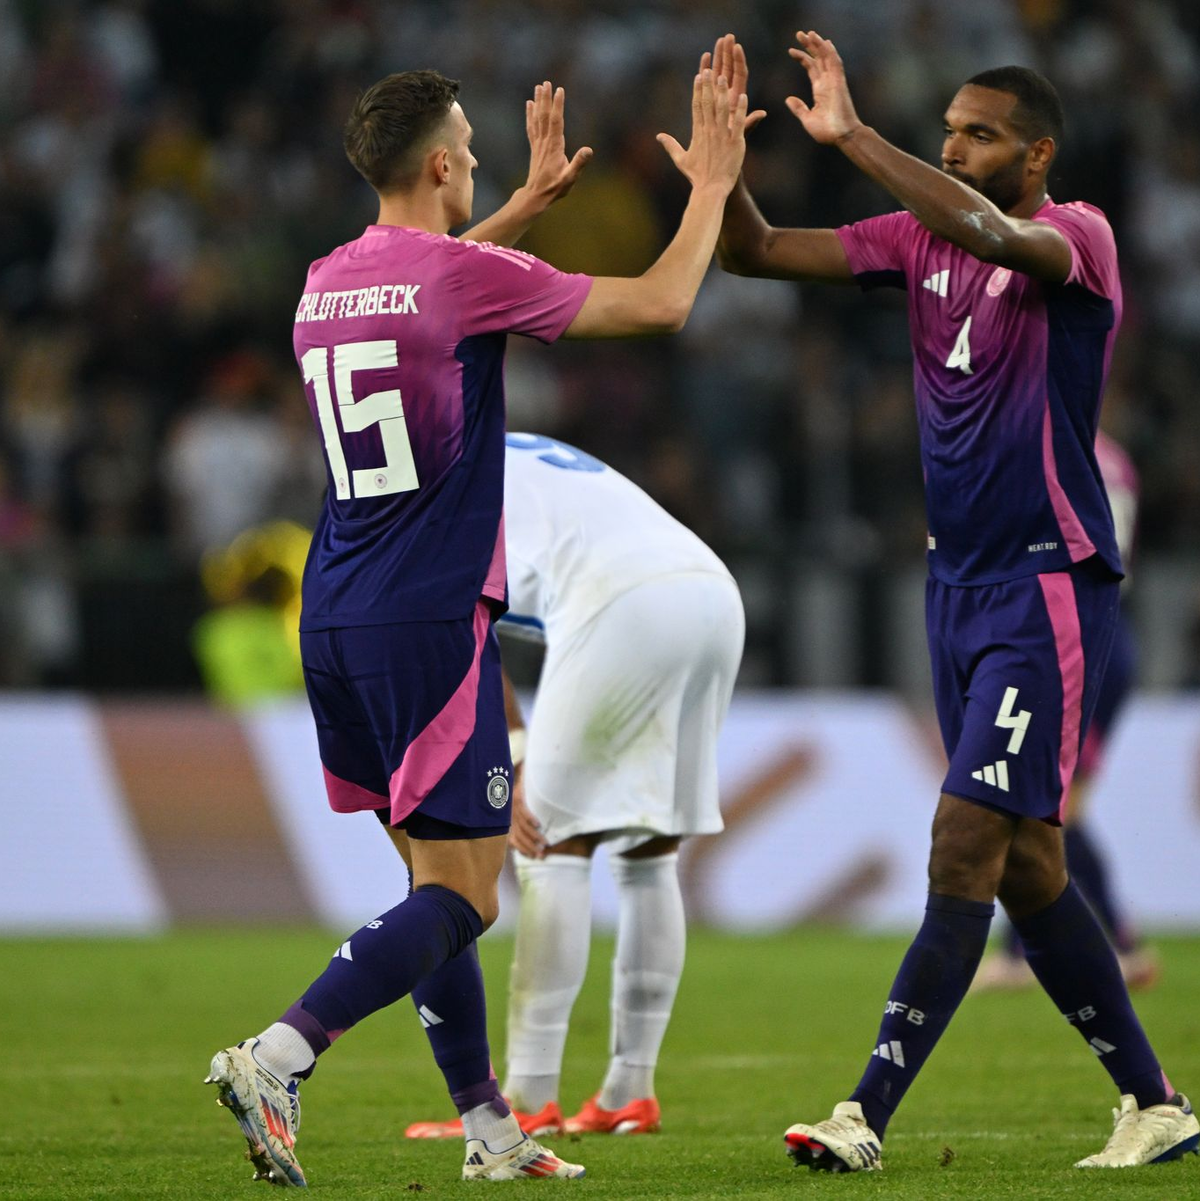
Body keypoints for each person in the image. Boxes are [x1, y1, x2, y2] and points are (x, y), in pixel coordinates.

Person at [204, 67, 753, 1187]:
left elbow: (431, 287)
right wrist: (715, 189)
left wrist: (518, 217)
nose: (482, 163)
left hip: (338, 609)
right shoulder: (465, 274)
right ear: (445, 165)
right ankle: (280, 1054)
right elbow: (658, 304)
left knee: (431, 887)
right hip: (427, 613)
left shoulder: (323, 283)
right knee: (468, 893)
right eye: (471, 146)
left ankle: (490, 1129)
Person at [711, 31, 1198, 1172]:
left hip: (1043, 583)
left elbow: (984, 228)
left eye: (978, 135)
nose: (957, 150)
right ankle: (1157, 1102)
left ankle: (862, 1112)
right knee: (1030, 866)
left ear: (1037, 156)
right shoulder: (914, 238)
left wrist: (857, 137)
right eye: (949, 132)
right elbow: (759, 253)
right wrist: (721, 176)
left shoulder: (1075, 237)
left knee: (963, 839)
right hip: (954, 586)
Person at [403, 431, 744, 1142]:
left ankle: (527, 1096)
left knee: (547, 841)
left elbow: (465, 635)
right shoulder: (507, 439)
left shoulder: (430, 481)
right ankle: (629, 1088)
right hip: (710, 590)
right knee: (651, 849)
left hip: (618, 601)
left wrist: (521, 755)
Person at [973, 430, 1160, 992]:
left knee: (1052, 804)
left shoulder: (1047, 449)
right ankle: (1026, 950)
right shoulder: (1112, 454)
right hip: (1105, 630)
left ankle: (1118, 944)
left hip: (1075, 638)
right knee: (1041, 802)